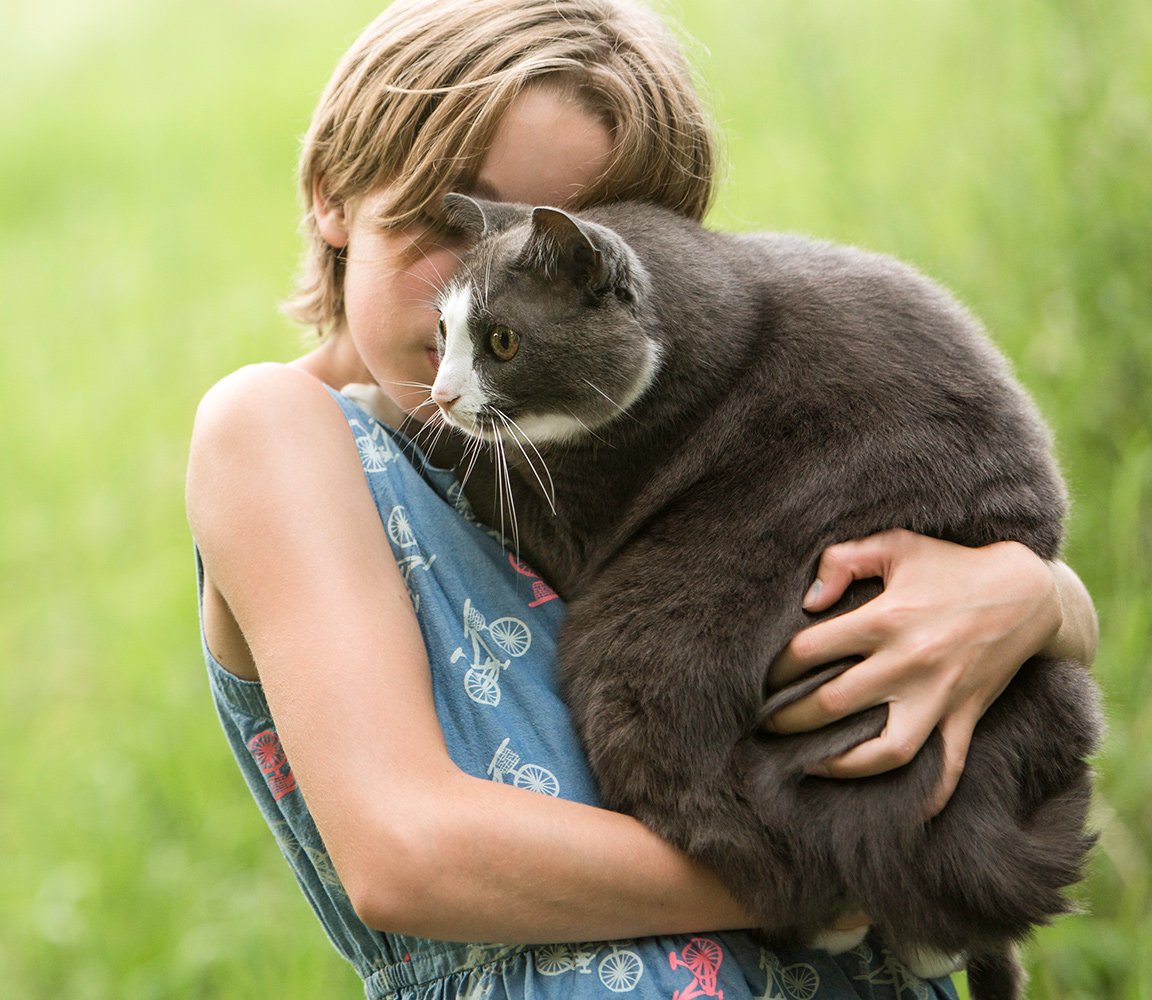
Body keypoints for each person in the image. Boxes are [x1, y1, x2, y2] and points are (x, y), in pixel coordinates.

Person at [185, 1, 1099, 997]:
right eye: (459, 218)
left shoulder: (613, 438)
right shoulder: (278, 431)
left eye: (567, 255)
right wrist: (839, 879)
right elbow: (410, 853)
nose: (496, 291)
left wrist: (1037, 596)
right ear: (332, 190)